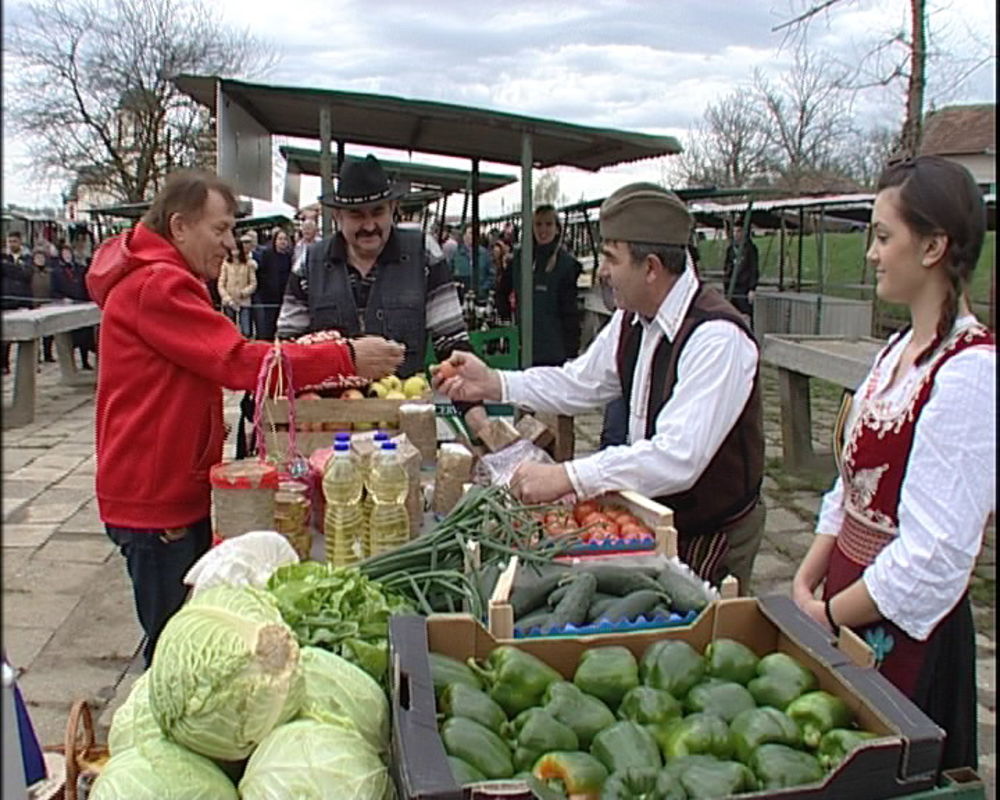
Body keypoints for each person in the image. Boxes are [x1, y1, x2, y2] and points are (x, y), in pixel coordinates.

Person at [86, 169, 403, 667]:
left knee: (186, 630)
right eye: (220, 229)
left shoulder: (162, 278)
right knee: (175, 646)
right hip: (155, 496)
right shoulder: (158, 285)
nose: (230, 243)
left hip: (164, 486)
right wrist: (344, 358)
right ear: (179, 226)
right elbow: (235, 360)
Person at [436, 182, 766, 590]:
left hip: (712, 534)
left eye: (611, 257)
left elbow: (679, 456)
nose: (602, 271)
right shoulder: (632, 319)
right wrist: (493, 382)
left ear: (650, 267)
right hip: (651, 518)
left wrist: (569, 477)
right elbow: (579, 383)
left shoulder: (717, 338)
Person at [792, 156, 994, 771]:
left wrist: (830, 611)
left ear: (934, 246)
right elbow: (849, 483)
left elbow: (934, 558)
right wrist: (807, 579)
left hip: (903, 628)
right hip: (845, 597)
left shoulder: (970, 375)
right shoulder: (895, 351)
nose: (873, 254)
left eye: (884, 237)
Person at [276, 154, 488, 432]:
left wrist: (481, 426)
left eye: (377, 212)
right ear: (338, 215)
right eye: (356, 215)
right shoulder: (309, 264)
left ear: (393, 208)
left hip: (403, 425)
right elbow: (285, 350)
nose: (369, 225)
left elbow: (453, 345)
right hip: (328, 427)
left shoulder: (424, 254)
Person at [496, 204, 582, 366]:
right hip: (523, 348)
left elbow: (570, 312)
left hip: (554, 352)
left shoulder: (567, 265)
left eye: (548, 224)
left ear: (557, 229)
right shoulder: (520, 259)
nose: (543, 230)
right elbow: (502, 290)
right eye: (538, 224)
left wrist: (572, 352)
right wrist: (506, 319)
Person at [50, 242, 95, 369]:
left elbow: (86, 286)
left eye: (68, 253)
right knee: (69, 339)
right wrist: (62, 299)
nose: (67, 256)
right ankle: (70, 365)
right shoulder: (57, 272)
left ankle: (85, 361)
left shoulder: (80, 269)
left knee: (85, 336)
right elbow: (53, 290)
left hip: (82, 305)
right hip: (67, 308)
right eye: (64, 253)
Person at [3, 231, 33, 374]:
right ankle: (4, 364)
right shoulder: (3, 257)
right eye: (9, 241)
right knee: (5, 336)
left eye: (14, 241)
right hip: (6, 300)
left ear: (20, 242)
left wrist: (9, 268)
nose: (11, 244)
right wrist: (15, 268)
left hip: (23, 300)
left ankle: (30, 365)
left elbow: (26, 275)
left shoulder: (27, 258)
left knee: (27, 334)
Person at [255, 228, 293, 341]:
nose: (282, 242)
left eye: (285, 239)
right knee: (269, 325)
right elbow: (261, 273)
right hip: (269, 297)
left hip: (285, 296)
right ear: (275, 240)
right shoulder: (267, 254)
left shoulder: (290, 256)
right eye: (280, 239)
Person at [218, 234, 257, 337]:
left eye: (237, 249)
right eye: (233, 250)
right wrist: (226, 297)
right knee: (230, 331)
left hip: (244, 301)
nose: (235, 252)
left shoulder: (248, 264)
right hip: (229, 302)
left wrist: (244, 292)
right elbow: (221, 283)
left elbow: (253, 283)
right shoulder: (226, 264)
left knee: (246, 331)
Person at [723, 221, 759, 321]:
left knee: (745, 315)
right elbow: (727, 267)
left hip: (744, 288)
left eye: (738, 231)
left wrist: (752, 288)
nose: (736, 234)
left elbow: (753, 268)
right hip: (732, 287)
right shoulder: (730, 249)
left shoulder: (750, 249)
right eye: (734, 231)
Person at [449, 223, 494, 301]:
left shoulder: (485, 254)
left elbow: (492, 275)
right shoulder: (456, 255)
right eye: (470, 233)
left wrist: (483, 288)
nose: (473, 236)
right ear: (464, 236)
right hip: (461, 298)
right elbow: (449, 275)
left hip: (481, 298)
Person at [29, 244, 56, 363]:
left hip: (48, 304)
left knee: (49, 332)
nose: (40, 260)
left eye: (42, 258)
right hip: (34, 304)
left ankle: (48, 354)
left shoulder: (49, 272)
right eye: (38, 258)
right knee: (35, 332)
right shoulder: (30, 272)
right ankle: (36, 356)